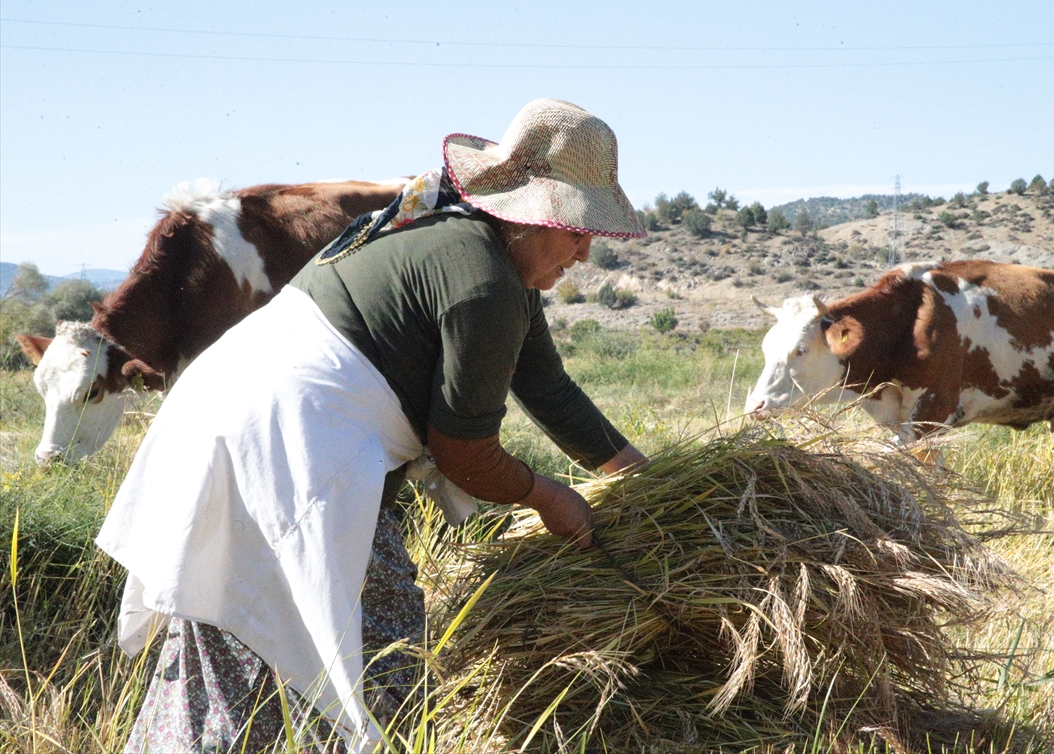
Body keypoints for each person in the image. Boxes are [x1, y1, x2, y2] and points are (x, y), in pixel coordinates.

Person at [96, 98, 648, 753]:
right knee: (369, 655)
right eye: (578, 229)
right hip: (285, 451)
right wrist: (549, 496)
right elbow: (465, 453)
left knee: (231, 641)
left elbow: (549, 389)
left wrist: (646, 481)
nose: (586, 252)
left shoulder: (476, 252)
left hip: (229, 427)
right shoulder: (483, 282)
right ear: (529, 217)